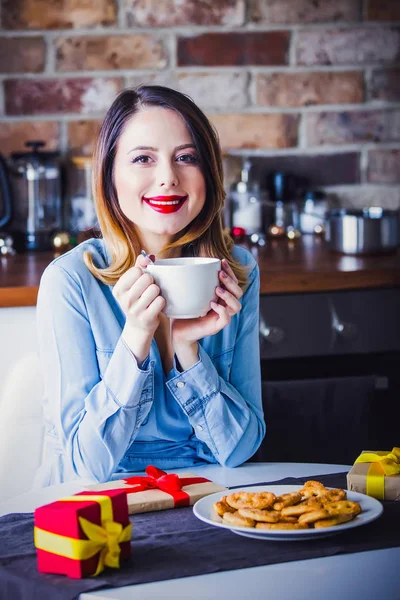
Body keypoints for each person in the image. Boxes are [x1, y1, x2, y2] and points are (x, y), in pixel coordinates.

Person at [34, 85, 266, 487]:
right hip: (101, 497)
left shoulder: (238, 269)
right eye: (143, 158)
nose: (168, 178)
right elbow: (85, 465)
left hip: (206, 490)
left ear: (207, 173)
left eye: (186, 158)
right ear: (110, 175)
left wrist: (187, 350)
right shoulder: (69, 280)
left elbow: (241, 447)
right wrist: (136, 338)